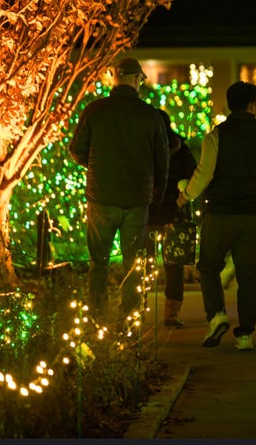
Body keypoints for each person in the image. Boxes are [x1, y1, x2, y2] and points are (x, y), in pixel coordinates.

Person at [177, 81, 256, 351]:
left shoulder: (216, 136)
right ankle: (246, 335)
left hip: (221, 213)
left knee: (209, 267)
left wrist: (185, 194)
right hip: (254, 216)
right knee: (248, 274)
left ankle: (217, 316)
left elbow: (203, 175)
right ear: (252, 105)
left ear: (229, 104)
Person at [69, 57, 169, 322]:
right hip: (137, 199)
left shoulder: (95, 110)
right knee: (132, 266)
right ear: (137, 80)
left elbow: (76, 150)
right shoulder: (151, 116)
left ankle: (96, 318)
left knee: (98, 263)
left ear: (115, 79)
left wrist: (95, 167)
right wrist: (156, 196)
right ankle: (129, 320)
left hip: (101, 196)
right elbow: (163, 162)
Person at [146, 109, 197, 328]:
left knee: (143, 262)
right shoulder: (181, 148)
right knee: (173, 265)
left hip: (147, 211)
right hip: (173, 212)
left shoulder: (145, 147)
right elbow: (193, 173)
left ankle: (135, 309)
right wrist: (183, 195)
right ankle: (172, 312)